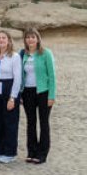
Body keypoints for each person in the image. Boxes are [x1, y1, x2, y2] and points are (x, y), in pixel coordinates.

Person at [19, 27, 55, 165]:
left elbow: (52, 76)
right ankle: (32, 151)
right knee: (31, 122)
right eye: (28, 37)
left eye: (33, 37)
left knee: (44, 123)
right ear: (25, 40)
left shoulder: (46, 53)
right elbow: (20, 74)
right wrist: (20, 93)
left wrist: (51, 96)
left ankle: (42, 154)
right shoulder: (23, 54)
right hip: (27, 92)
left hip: (43, 92)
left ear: (38, 39)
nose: (30, 39)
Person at [0, 30, 21, 163]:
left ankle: (10, 152)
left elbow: (18, 78)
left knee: (10, 122)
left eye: (4, 38)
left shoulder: (14, 56)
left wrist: (12, 97)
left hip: (9, 88)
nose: (1, 40)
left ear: (9, 40)